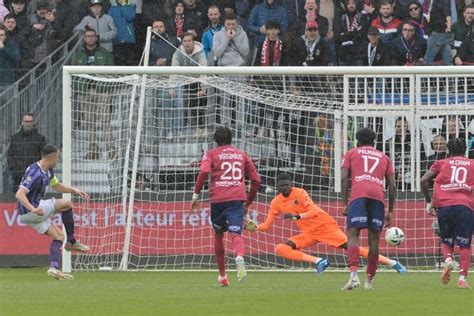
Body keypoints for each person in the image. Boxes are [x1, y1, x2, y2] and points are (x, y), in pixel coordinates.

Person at [246, 172, 405, 277]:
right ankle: (319, 262)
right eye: (281, 186)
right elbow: (267, 225)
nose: (284, 187)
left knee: (353, 248)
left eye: (287, 184)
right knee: (280, 248)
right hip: (309, 233)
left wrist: (297, 216)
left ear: (291, 183)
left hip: (325, 226)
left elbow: (314, 211)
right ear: (277, 187)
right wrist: (254, 227)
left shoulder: (300, 193)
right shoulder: (276, 202)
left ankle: (394, 263)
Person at [191, 126, 261, 286]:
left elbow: (203, 172)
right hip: (237, 199)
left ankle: (223, 276)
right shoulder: (241, 154)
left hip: (218, 200)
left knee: (218, 234)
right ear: (231, 139)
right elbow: (256, 180)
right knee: (236, 234)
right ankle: (239, 257)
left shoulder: (211, 153)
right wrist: (248, 202)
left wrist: (196, 195)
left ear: (215, 140)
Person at [16, 144, 90, 280]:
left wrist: (74, 190)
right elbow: (20, 194)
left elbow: (56, 186)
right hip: (32, 210)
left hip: (28, 215)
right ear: (52, 157)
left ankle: (54, 268)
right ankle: (72, 242)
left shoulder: (48, 171)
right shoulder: (35, 172)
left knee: (59, 236)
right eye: (58, 158)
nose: (58, 161)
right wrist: (33, 209)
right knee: (67, 204)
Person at [340, 127, 397, 290]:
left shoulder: (351, 153)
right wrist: (391, 211)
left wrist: (344, 203)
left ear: (357, 141)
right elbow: (392, 185)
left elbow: (344, 177)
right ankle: (369, 281)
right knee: (374, 240)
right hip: (377, 196)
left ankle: (353, 275)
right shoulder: (384, 157)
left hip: (359, 195)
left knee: (353, 234)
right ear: (374, 141)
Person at [421, 138, 474, 289]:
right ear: (465, 149)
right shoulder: (472, 164)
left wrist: (429, 201)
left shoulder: (442, 163)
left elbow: (424, 180)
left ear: (448, 150)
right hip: (465, 206)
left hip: (444, 205)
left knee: (447, 240)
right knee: (465, 244)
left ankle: (449, 260)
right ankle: (462, 278)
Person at [72, 28, 115, 160]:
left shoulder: (105, 53)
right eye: (87, 36)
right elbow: (74, 73)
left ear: (96, 38)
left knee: (105, 121)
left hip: (101, 91)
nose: (90, 38)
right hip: (85, 91)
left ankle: (110, 149)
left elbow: (112, 71)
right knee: (89, 121)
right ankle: (93, 149)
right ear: (84, 38)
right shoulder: (78, 54)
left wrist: (107, 87)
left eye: (92, 36)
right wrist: (78, 87)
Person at [7, 112, 46, 192]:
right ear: (22, 122)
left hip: (35, 175)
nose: (28, 124)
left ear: (33, 123)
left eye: (30, 121)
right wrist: (14, 168)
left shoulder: (40, 138)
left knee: (35, 201)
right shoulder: (15, 138)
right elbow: (10, 155)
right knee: (18, 199)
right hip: (19, 176)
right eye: (26, 121)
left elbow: (44, 156)